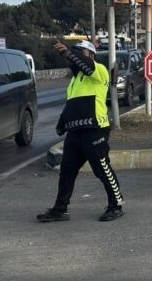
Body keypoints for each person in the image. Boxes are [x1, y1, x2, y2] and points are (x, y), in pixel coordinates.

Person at [37, 40, 124, 223]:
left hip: (95, 129)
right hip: (75, 132)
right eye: (74, 52)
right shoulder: (74, 81)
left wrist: (68, 52)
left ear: (91, 55)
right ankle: (60, 209)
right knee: (67, 171)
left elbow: (85, 65)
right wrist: (62, 122)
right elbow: (72, 104)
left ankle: (116, 204)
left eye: (80, 52)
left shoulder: (98, 70)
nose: (75, 56)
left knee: (102, 168)